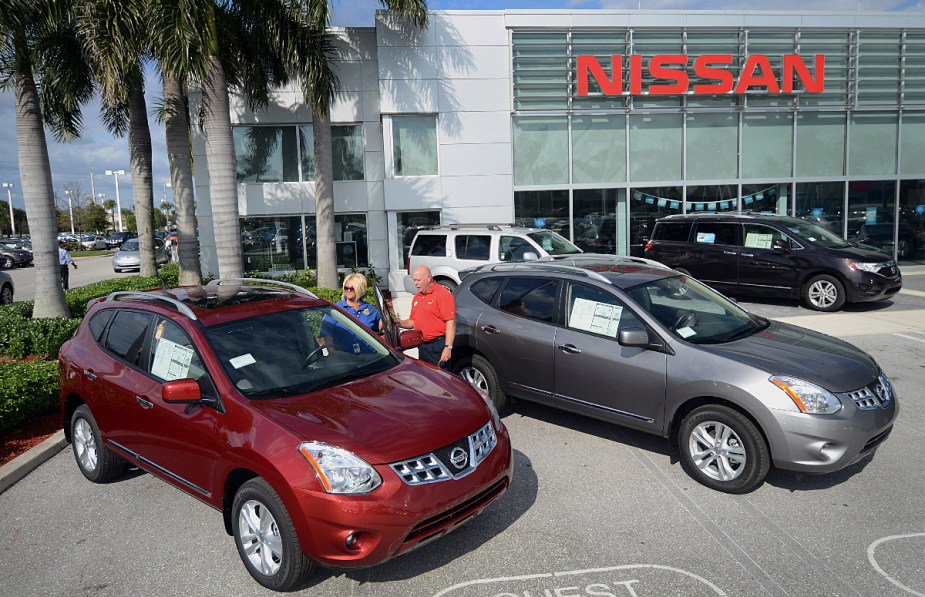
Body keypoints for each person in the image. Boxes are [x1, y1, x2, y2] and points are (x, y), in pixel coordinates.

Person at [399, 265, 455, 368]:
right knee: (426, 378)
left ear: (428, 279)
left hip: (438, 346)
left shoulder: (442, 294)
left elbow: (450, 323)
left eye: (418, 280)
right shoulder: (417, 297)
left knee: (441, 379)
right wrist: (399, 323)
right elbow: (412, 321)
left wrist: (448, 347)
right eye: (414, 280)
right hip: (422, 345)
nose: (416, 283)